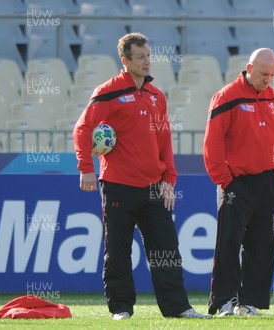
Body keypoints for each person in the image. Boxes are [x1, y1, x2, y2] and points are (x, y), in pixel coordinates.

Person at [73, 32, 210, 320]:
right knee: (118, 250)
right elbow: (83, 129)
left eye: (149, 55)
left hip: (154, 188)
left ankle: (178, 308)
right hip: (117, 185)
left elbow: (164, 140)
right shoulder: (108, 92)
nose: (147, 61)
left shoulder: (157, 96)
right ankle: (121, 309)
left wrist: (169, 180)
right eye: (141, 57)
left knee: (166, 251)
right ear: (125, 61)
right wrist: (86, 167)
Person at [203, 48, 274, 317]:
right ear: (249, 68)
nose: (268, 79)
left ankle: (249, 302)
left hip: (270, 181)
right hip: (236, 182)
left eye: (273, 75)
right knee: (229, 243)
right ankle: (224, 302)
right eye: (264, 74)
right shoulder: (227, 97)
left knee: (264, 243)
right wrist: (225, 181)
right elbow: (213, 142)